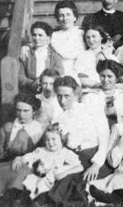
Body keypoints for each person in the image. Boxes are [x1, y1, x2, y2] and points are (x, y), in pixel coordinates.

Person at [37, 76, 111, 207]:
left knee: (74, 185)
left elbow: (105, 139)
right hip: (72, 158)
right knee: (57, 179)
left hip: (92, 157)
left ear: (76, 94)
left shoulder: (91, 110)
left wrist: (96, 165)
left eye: (67, 96)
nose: (62, 100)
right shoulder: (60, 118)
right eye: (59, 96)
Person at [0, 93, 44, 199]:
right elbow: (0, 152)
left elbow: (41, 152)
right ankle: (6, 188)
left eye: (26, 111)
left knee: (20, 172)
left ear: (34, 111)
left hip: (29, 164)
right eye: (18, 110)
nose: (21, 114)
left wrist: (24, 160)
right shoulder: (8, 128)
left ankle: (11, 194)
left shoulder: (39, 129)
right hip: (9, 162)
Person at [19, 123, 83, 200]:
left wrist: (65, 173)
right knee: (28, 183)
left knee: (40, 191)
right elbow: (30, 156)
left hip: (50, 181)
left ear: (62, 139)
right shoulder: (42, 150)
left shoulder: (65, 153)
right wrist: (21, 159)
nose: (50, 142)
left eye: (53, 139)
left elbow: (80, 167)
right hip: (37, 176)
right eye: (47, 140)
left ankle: (36, 200)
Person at [81, 60, 123, 128]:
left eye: (109, 76)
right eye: (102, 76)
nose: (105, 80)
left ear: (117, 78)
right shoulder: (90, 97)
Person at [19, 21, 64, 93]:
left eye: (40, 35)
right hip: (30, 90)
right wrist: (32, 84)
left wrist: (42, 81)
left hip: (49, 90)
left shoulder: (54, 55)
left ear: (48, 37)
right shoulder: (26, 53)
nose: (36, 38)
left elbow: (59, 72)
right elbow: (20, 76)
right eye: (34, 35)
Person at [50, 0, 86, 76]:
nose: (65, 18)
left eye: (68, 14)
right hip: (60, 71)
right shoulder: (53, 36)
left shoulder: (83, 34)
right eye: (61, 15)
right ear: (57, 19)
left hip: (80, 70)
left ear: (75, 17)